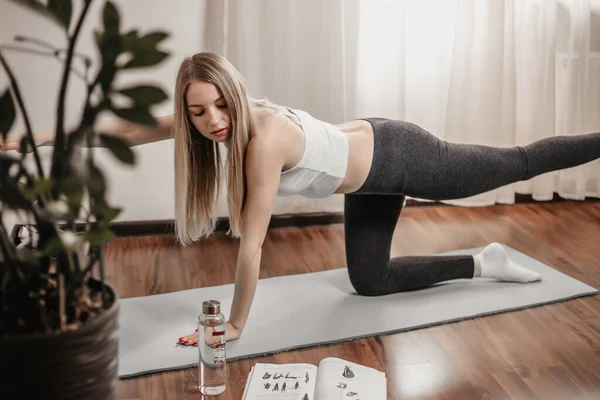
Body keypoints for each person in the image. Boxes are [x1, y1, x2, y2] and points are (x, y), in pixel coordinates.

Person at [3, 52, 600, 346]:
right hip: (368, 176)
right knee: (370, 280)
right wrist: (34, 140)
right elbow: (127, 128)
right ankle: (484, 261)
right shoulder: (214, 120)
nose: (212, 120)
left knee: (514, 163)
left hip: (400, 153)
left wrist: (236, 325)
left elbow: (252, 244)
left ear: (235, 95)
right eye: (197, 110)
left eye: (220, 105)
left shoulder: (261, 141)